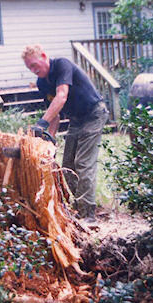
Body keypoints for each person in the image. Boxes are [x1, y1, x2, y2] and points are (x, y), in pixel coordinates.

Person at [21, 44, 109, 221]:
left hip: (94, 114)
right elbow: (55, 115)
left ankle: (88, 213)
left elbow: (62, 96)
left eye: (34, 65)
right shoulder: (42, 83)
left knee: (83, 162)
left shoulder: (62, 65)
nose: (33, 70)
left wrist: (40, 124)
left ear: (44, 56)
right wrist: (50, 140)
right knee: (68, 165)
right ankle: (82, 205)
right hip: (76, 119)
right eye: (29, 68)